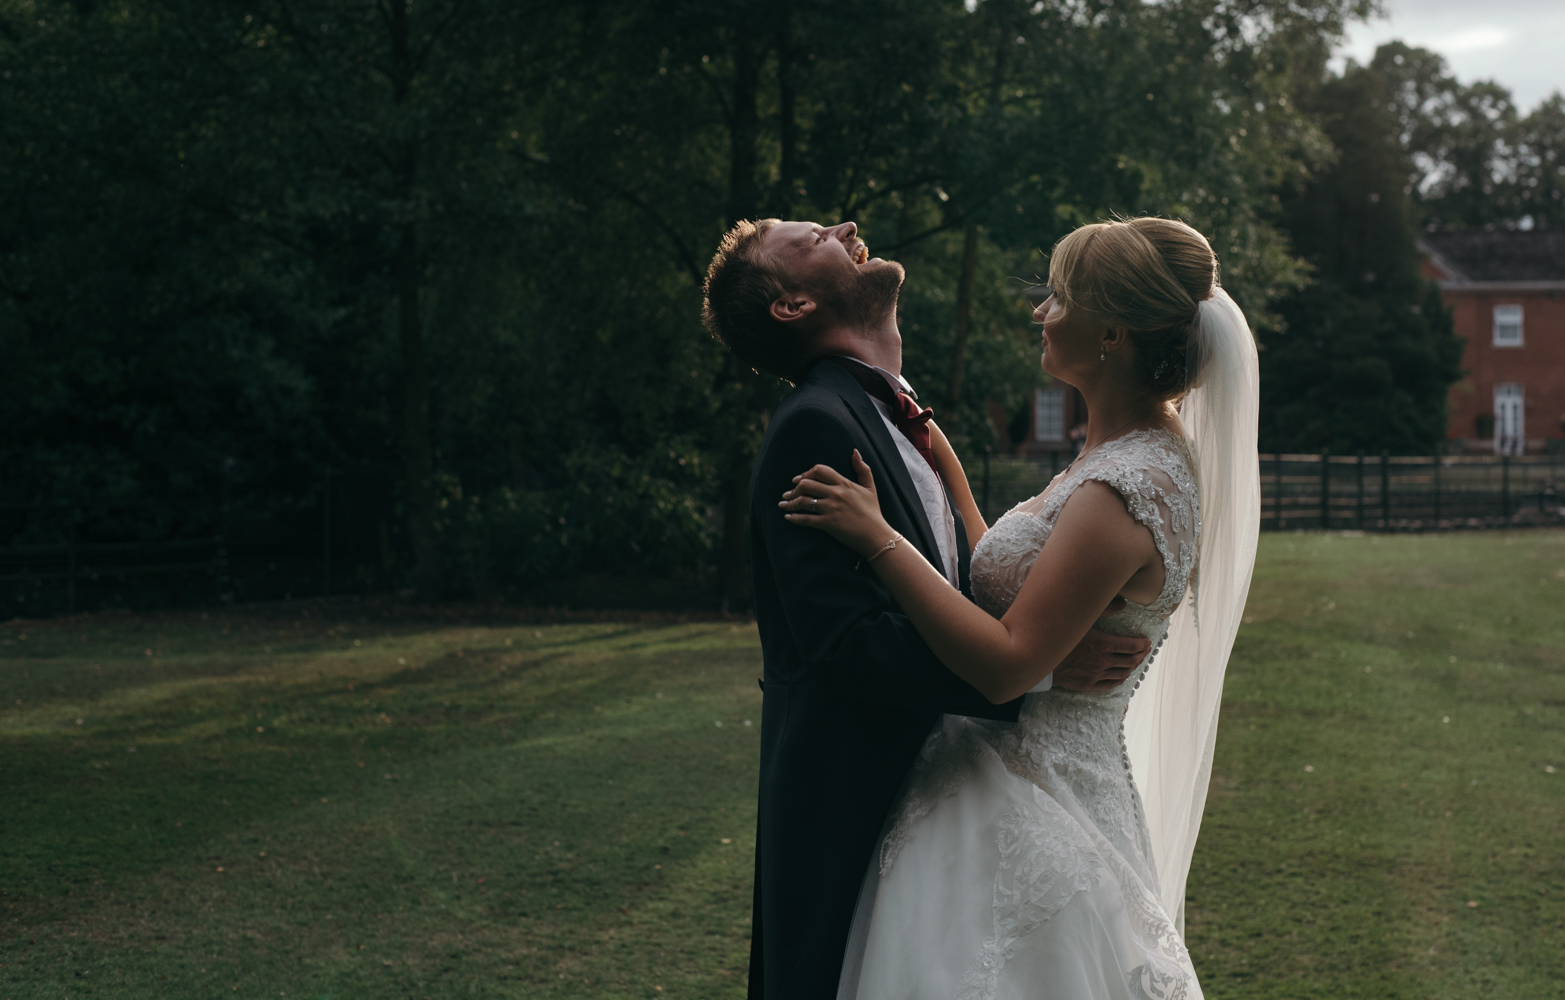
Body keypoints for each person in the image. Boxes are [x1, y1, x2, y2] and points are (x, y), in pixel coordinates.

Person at [778, 217, 1260, 1000]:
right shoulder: (1116, 459)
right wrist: (959, 487)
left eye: (1059, 296)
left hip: (1035, 799)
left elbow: (1005, 664)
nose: (1041, 312)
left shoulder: (1124, 490)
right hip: (1018, 774)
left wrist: (875, 540)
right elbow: (1013, 586)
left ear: (1110, 331)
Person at [701, 218, 1156, 999]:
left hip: (957, 808)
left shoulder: (899, 418)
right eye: (811, 237)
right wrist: (1033, 666)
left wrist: (1038, 641)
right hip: (857, 816)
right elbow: (845, 645)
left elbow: (954, 584)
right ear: (792, 305)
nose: (845, 226)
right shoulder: (814, 426)